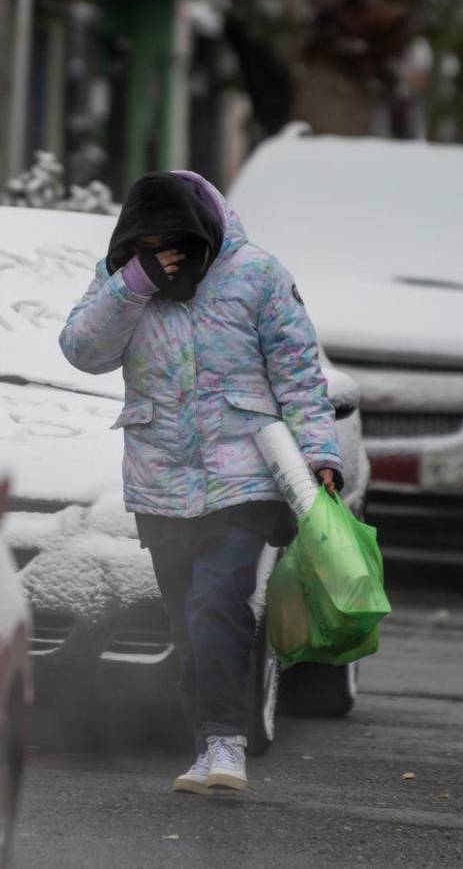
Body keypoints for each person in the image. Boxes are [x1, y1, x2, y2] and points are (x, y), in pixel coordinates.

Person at [58, 171, 343, 794]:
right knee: (189, 624)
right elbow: (82, 349)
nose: (164, 251)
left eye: (174, 239)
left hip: (244, 476)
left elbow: (298, 374)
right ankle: (205, 746)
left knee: (219, 600)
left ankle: (226, 745)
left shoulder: (258, 275)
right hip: (160, 477)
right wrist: (132, 284)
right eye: (147, 239)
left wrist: (321, 452)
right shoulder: (123, 274)